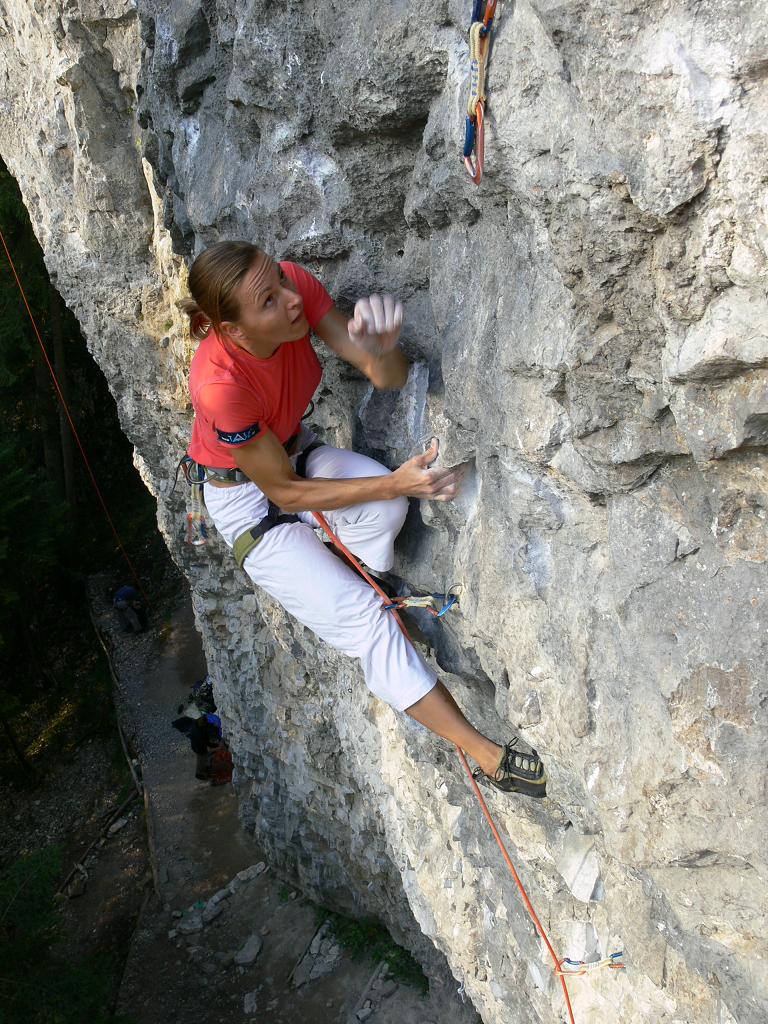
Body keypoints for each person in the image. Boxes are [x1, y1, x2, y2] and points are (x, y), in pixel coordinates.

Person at [179, 242, 546, 798]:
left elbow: (387, 374)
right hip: (249, 503)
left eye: (279, 280)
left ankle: (362, 576)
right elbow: (283, 492)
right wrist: (398, 478)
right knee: (369, 624)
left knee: (388, 508)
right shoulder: (221, 386)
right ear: (231, 329)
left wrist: (380, 349)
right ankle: (488, 757)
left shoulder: (295, 289)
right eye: (268, 300)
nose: (289, 298)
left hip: (295, 455)